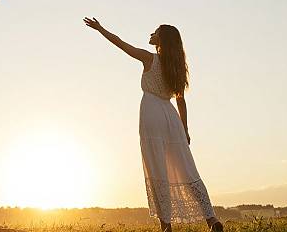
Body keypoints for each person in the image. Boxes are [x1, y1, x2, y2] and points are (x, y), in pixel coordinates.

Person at [84, 18, 224, 232]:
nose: (151, 34)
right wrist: (184, 129)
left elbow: (120, 43)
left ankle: (166, 225)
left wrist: (100, 28)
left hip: (151, 112)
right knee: (187, 168)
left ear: (162, 39)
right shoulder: (176, 66)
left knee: (156, 167)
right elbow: (181, 100)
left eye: (155, 32)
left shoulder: (149, 58)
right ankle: (211, 219)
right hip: (171, 117)